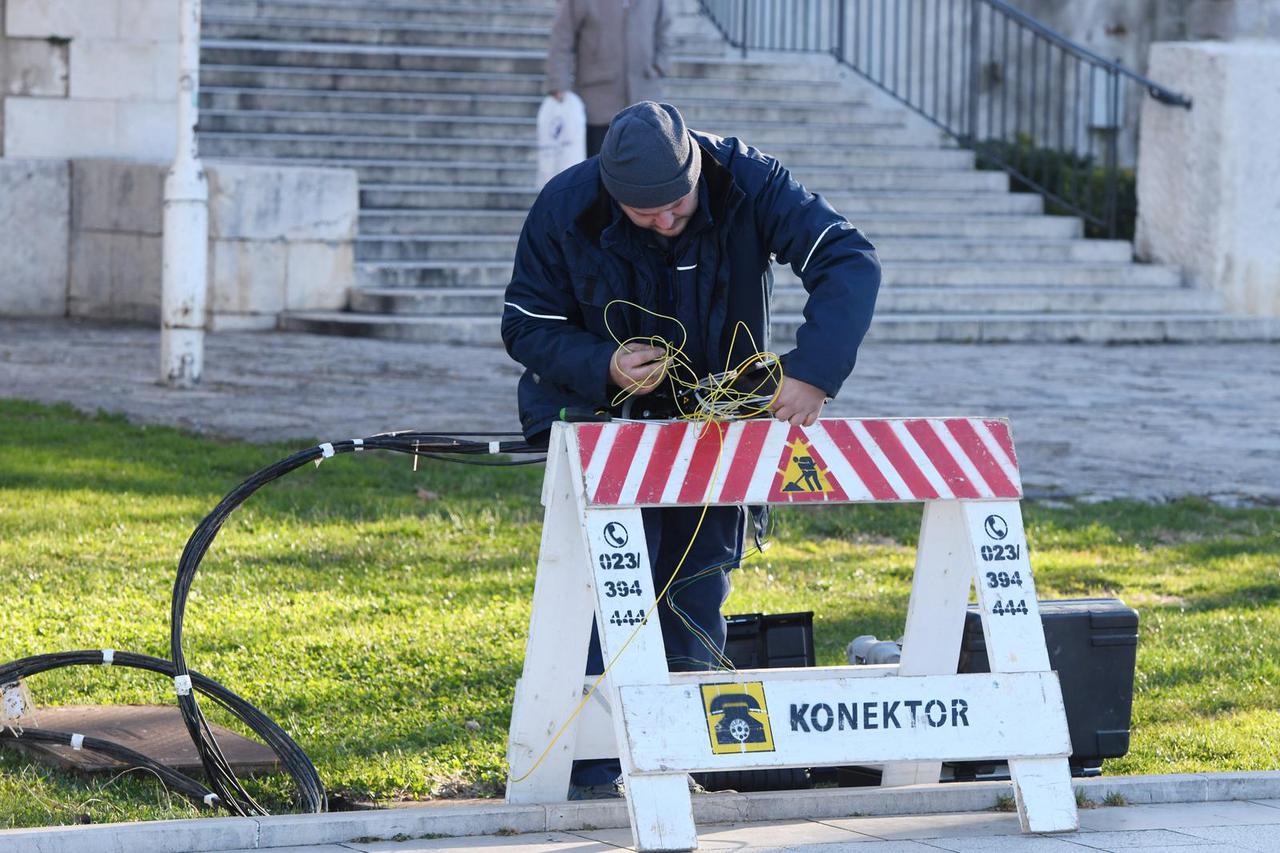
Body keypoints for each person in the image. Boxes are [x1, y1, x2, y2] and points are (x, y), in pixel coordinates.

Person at [501, 102, 881, 797]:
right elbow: (525, 323)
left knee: (697, 588)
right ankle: (591, 772)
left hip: (716, 426)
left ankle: (683, 763)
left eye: (677, 205)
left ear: (696, 170)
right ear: (612, 192)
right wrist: (604, 364)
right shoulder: (565, 204)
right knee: (610, 593)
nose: (667, 222)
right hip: (605, 425)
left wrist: (815, 372)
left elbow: (848, 258)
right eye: (645, 214)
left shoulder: (749, 180)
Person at [546, 0, 672, 156]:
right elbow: (562, 37)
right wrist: (558, 82)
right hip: (597, 102)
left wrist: (659, 65)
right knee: (597, 164)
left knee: (643, 165)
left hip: (645, 99)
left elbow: (664, 29)